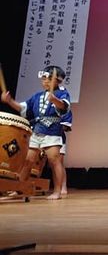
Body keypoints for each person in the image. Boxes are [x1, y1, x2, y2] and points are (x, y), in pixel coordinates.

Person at [1, 65, 71, 200]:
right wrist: (10, 101)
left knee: (54, 161)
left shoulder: (62, 93)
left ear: (56, 81)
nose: (44, 82)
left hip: (52, 130)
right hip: (37, 130)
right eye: (44, 79)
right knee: (28, 161)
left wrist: (54, 100)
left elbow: (64, 106)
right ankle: (19, 188)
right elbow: (23, 108)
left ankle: (57, 191)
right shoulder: (37, 96)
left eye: (48, 79)